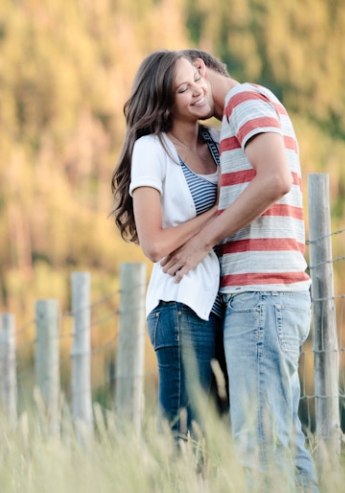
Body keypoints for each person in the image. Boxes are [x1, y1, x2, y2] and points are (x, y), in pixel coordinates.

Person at [161, 49, 321, 493]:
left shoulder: (243, 101)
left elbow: (275, 178)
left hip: (261, 296)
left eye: (185, 88)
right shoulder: (241, 113)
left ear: (200, 69)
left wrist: (202, 241)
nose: (185, 106)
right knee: (285, 446)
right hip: (270, 297)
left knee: (259, 449)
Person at [111, 50, 226, 442]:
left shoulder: (218, 141)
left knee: (218, 444)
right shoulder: (152, 149)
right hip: (179, 307)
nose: (196, 90)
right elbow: (155, 243)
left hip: (224, 304)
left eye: (196, 79)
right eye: (182, 88)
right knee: (183, 442)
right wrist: (219, 214)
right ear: (165, 101)